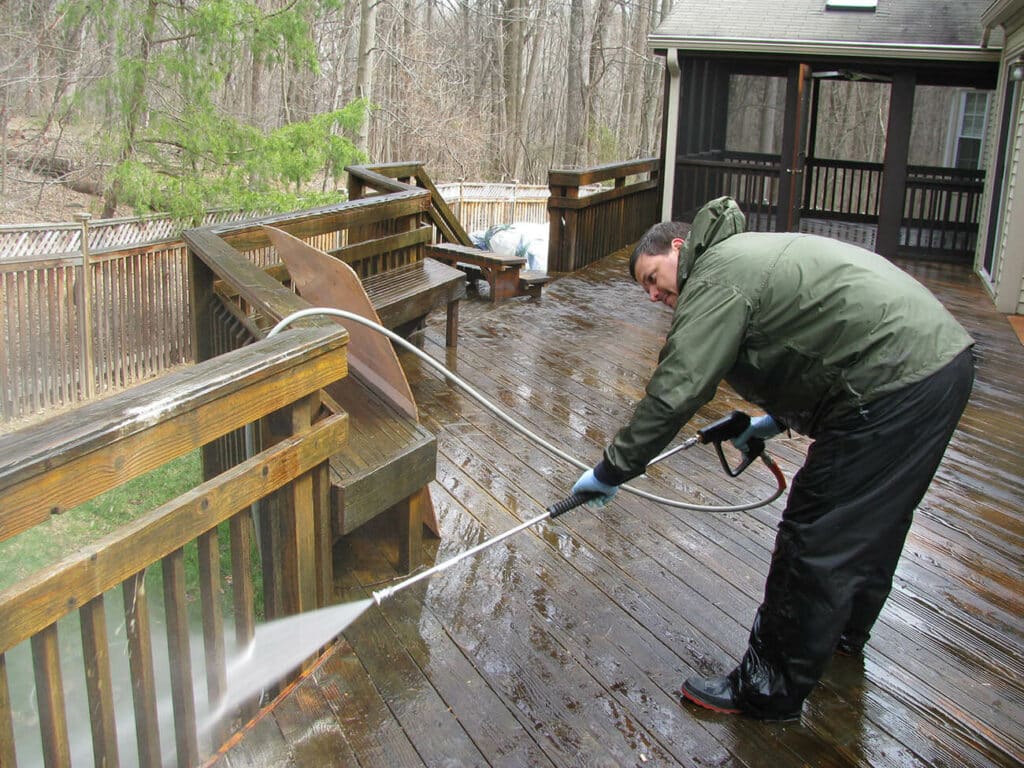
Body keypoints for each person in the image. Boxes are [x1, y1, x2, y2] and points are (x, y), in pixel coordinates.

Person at [571, 196, 975, 721]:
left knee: (816, 535)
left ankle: (766, 690)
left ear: (679, 246)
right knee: (872, 520)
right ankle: (839, 636)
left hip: (893, 379)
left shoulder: (716, 273)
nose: (653, 295)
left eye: (652, 277)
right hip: (936, 364)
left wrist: (611, 470)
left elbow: (679, 389)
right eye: (646, 289)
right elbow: (813, 338)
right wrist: (774, 420)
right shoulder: (744, 256)